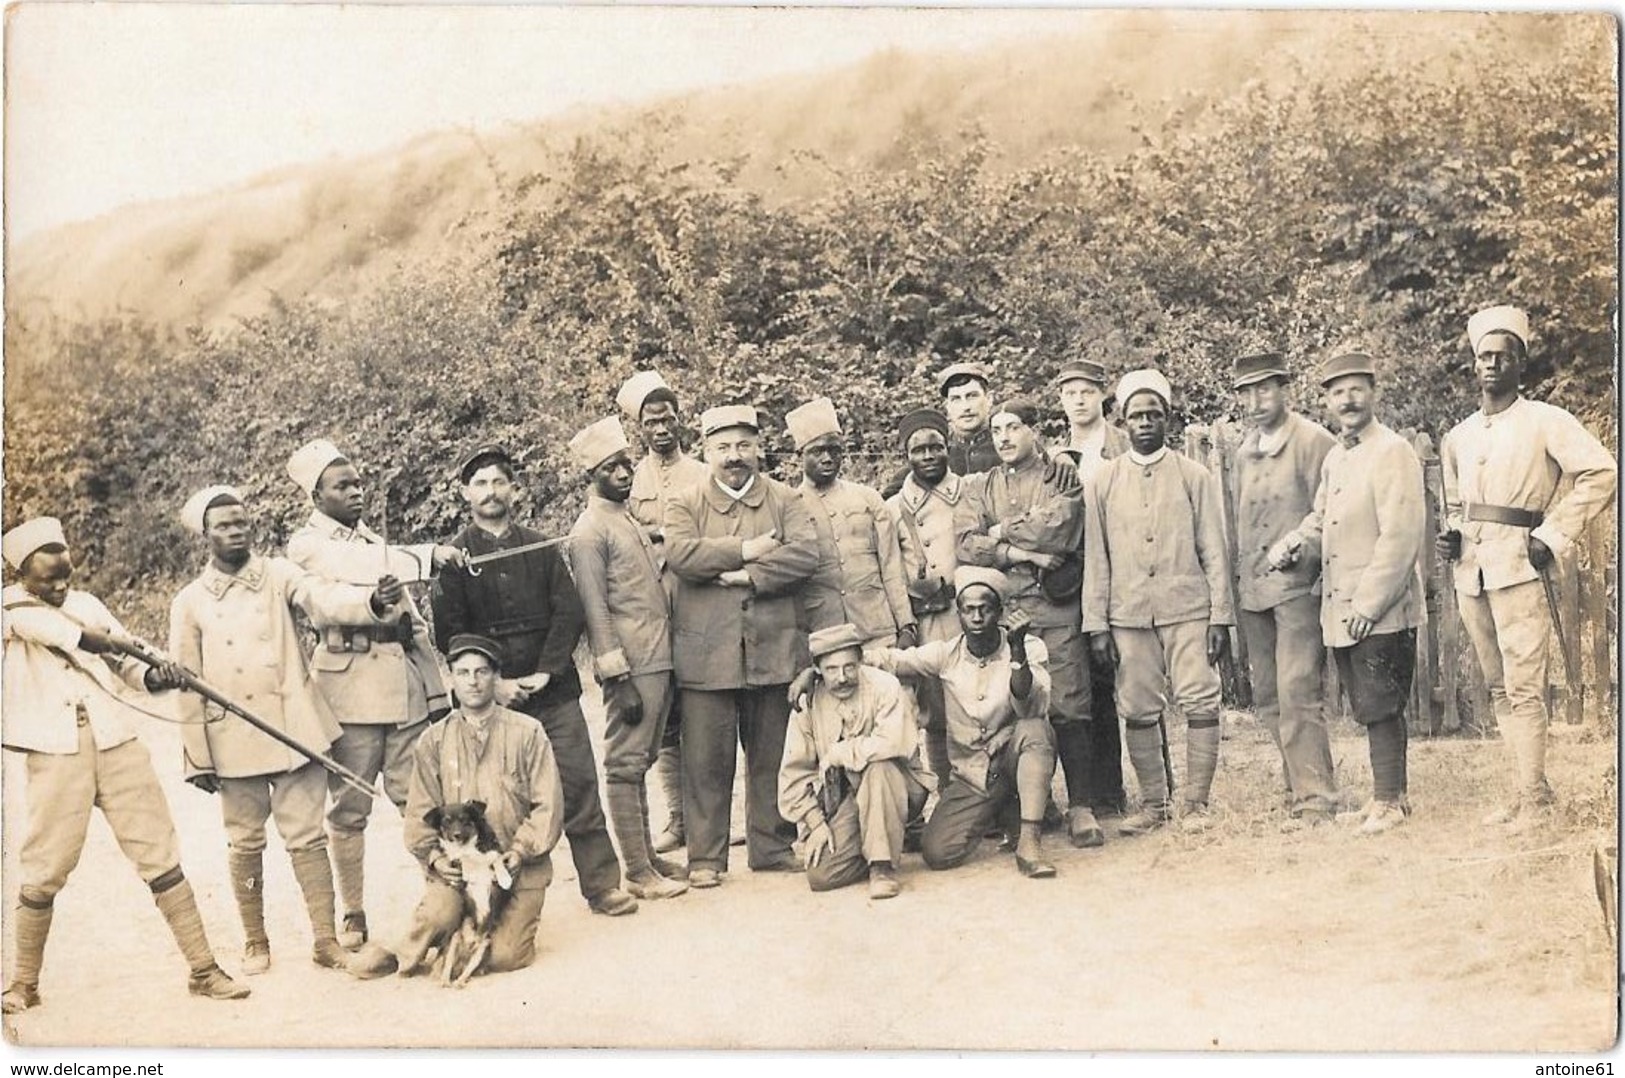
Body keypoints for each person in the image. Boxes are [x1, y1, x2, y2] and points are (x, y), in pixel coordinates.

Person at [1, 518, 250, 1014]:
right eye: (49, 578)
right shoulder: (11, 605)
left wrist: (160, 674)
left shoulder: (88, 604)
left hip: (115, 740)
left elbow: (128, 664)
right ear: (23, 574)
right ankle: (23, 982)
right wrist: (119, 644)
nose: (60, 586)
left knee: (159, 852)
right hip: (56, 751)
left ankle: (204, 969)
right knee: (46, 867)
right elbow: (77, 638)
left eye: (66, 575)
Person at [169, 485, 397, 973]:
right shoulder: (189, 602)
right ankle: (255, 940)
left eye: (241, 521)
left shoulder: (277, 575)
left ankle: (324, 940)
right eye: (224, 525)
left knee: (308, 837)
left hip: (294, 731)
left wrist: (371, 601)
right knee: (246, 841)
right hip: (232, 741)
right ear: (205, 536)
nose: (236, 531)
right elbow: (186, 683)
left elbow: (324, 598)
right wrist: (198, 756)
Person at [431, 446, 637, 917]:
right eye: (480, 483)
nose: (490, 491)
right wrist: (494, 682)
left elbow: (568, 611)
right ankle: (503, 897)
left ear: (513, 489)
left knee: (579, 783)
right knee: (499, 800)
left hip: (554, 690)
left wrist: (547, 670)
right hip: (494, 700)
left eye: (499, 481)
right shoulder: (454, 558)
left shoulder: (543, 546)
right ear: (466, 493)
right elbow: (451, 632)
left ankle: (602, 885)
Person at [1437, 306, 1617, 828]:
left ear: (1521, 365)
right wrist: (1451, 536)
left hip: (1520, 565)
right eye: (1483, 357)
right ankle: (1522, 792)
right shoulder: (1459, 436)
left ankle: (1535, 798)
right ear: (1473, 366)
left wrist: (1553, 534)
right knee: (1497, 684)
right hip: (1472, 571)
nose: (1491, 365)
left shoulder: (1546, 421)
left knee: (1524, 685)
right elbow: (1453, 501)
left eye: (1502, 357)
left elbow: (1601, 473)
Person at [284, 437, 458, 948]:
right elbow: (339, 590)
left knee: (418, 798)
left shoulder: (375, 543)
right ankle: (354, 912)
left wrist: (434, 691)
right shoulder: (307, 546)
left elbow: (414, 623)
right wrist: (428, 555)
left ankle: (443, 897)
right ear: (316, 496)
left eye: (359, 483)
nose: (356, 492)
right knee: (349, 807)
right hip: (348, 688)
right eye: (343, 486)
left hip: (400, 688)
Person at [663, 403, 821, 889]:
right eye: (723, 447)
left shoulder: (786, 499)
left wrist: (748, 577)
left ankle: (770, 845)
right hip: (705, 654)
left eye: (744, 446)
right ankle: (706, 857)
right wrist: (747, 549)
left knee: (771, 754)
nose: (735, 456)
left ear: (759, 448)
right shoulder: (684, 501)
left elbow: (805, 555)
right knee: (706, 761)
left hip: (773, 648)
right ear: (706, 451)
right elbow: (680, 555)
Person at [1269, 352, 1426, 835]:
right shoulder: (1338, 457)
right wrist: (1296, 542)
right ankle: (1386, 797)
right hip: (1343, 606)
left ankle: (1391, 802)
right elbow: (1322, 520)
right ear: (1328, 402)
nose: (1348, 400)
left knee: (1382, 703)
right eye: (1338, 392)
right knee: (1366, 702)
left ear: (1374, 393)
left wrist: (1368, 605)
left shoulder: (1393, 451)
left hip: (1380, 607)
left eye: (1357, 389)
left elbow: (1401, 537)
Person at [348, 634, 565, 980]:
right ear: (451, 678)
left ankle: (463, 945)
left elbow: (548, 807)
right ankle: (402, 952)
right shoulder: (433, 740)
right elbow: (419, 815)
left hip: (515, 871)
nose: (473, 681)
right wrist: (435, 859)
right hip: (459, 872)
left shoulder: (529, 733)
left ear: (496, 676)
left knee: (508, 956)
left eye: (481, 672)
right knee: (437, 915)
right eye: (463, 672)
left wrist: (521, 851)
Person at [1082, 370, 1234, 835]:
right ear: (1122, 422)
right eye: (1136, 416)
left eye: (1154, 414)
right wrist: (1098, 625)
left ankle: (1196, 804)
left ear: (1168, 418)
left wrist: (1219, 616)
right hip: (1128, 615)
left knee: (1200, 699)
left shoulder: (1195, 476)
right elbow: (1096, 557)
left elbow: (1214, 548)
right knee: (1138, 704)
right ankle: (1154, 804)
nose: (1145, 423)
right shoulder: (1103, 482)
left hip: (1187, 608)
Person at [955, 398, 1101, 847]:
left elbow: (1059, 524)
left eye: (1014, 427)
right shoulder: (981, 486)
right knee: (1015, 709)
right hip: (1007, 613)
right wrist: (1024, 553)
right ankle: (1035, 808)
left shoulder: (1061, 476)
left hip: (1055, 609)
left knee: (1070, 705)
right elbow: (964, 543)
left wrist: (998, 531)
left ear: (1034, 431)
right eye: (997, 429)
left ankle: (1081, 808)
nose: (1004, 437)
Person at [864, 567, 1058, 878]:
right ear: (959, 614)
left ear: (1000, 612)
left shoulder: (1029, 646)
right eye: (969, 610)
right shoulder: (946, 654)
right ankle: (1001, 811)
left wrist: (1017, 652)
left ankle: (1030, 842)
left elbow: (1030, 705)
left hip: (1012, 758)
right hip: (973, 775)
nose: (977, 618)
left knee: (1034, 730)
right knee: (938, 853)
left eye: (985, 609)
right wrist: (824, 665)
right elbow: (893, 660)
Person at [565, 416, 688, 900]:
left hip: (658, 658)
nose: (623, 473)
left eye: (625, 463)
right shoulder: (589, 530)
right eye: (611, 467)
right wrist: (618, 677)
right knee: (623, 762)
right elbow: (595, 610)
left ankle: (649, 857)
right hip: (632, 665)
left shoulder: (627, 519)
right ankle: (637, 871)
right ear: (591, 475)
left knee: (643, 758)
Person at [1228, 354, 1340, 828]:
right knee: (1270, 694)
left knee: (1298, 689)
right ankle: (1296, 783)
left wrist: (1305, 549)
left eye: (1265, 390)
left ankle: (1317, 797)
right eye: (1246, 393)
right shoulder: (1243, 452)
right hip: (1254, 590)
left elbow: (1330, 511)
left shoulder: (1315, 442)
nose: (1256, 402)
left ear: (1284, 389)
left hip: (1298, 587)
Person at [618, 369, 710, 857]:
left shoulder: (701, 472)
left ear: (680, 420)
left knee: (707, 710)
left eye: (668, 418)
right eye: (651, 421)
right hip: (654, 609)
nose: (661, 428)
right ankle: (676, 818)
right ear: (639, 428)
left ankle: (708, 818)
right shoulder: (629, 479)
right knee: (666, 717)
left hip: (700, 604)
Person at [778, 623, 932, 899]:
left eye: (849, 667)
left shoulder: (885, 686)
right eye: (831, 670)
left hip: (899, 786)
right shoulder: (809, 701)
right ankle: (875, 838)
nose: (841, 678)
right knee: (821, 875)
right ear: (817, 671)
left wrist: (840, 752)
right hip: (846, 799)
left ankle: (881, 867)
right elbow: (793, 773)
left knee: (879, 766)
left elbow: (894, 744)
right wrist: (816, 824)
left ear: (861, 660)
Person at [1051, 358, 1132, 824]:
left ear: (1102, 396)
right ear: (1061, 401)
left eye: (1086, 392)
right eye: (1070, 394)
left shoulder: (1121, 447)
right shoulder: (1055, 455)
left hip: (1120, 573)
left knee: (1125, 679)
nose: (1079, 401)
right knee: (1083, 687)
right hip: (1072, 581)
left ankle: (1129, 788)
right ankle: (1096, 792)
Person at [786, 395, 916, 647]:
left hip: (877, 629)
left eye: (834, 450)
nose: (827, 458)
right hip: (823, 633)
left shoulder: (867, 498)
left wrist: (906, 625)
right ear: (799, 454)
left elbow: (891, 566)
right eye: (817, 451)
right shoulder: (788, 506)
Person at [886, 408, 963, 793]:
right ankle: (948, 792)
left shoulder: (969, 491)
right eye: (919, 450)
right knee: (934, 711)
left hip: (967, 615)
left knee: (976, 702)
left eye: (936, 447)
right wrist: (905, 623)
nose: (929, 456)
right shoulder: (893, 508)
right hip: (926, 619)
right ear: (906, 456)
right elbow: (890, 569)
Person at [880, 361, 1001, 499]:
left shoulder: (1005, 448)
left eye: (972, 396)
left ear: (989, 399)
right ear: (947, 406)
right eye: (956, 399)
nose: (965, 407)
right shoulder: (936, 453)